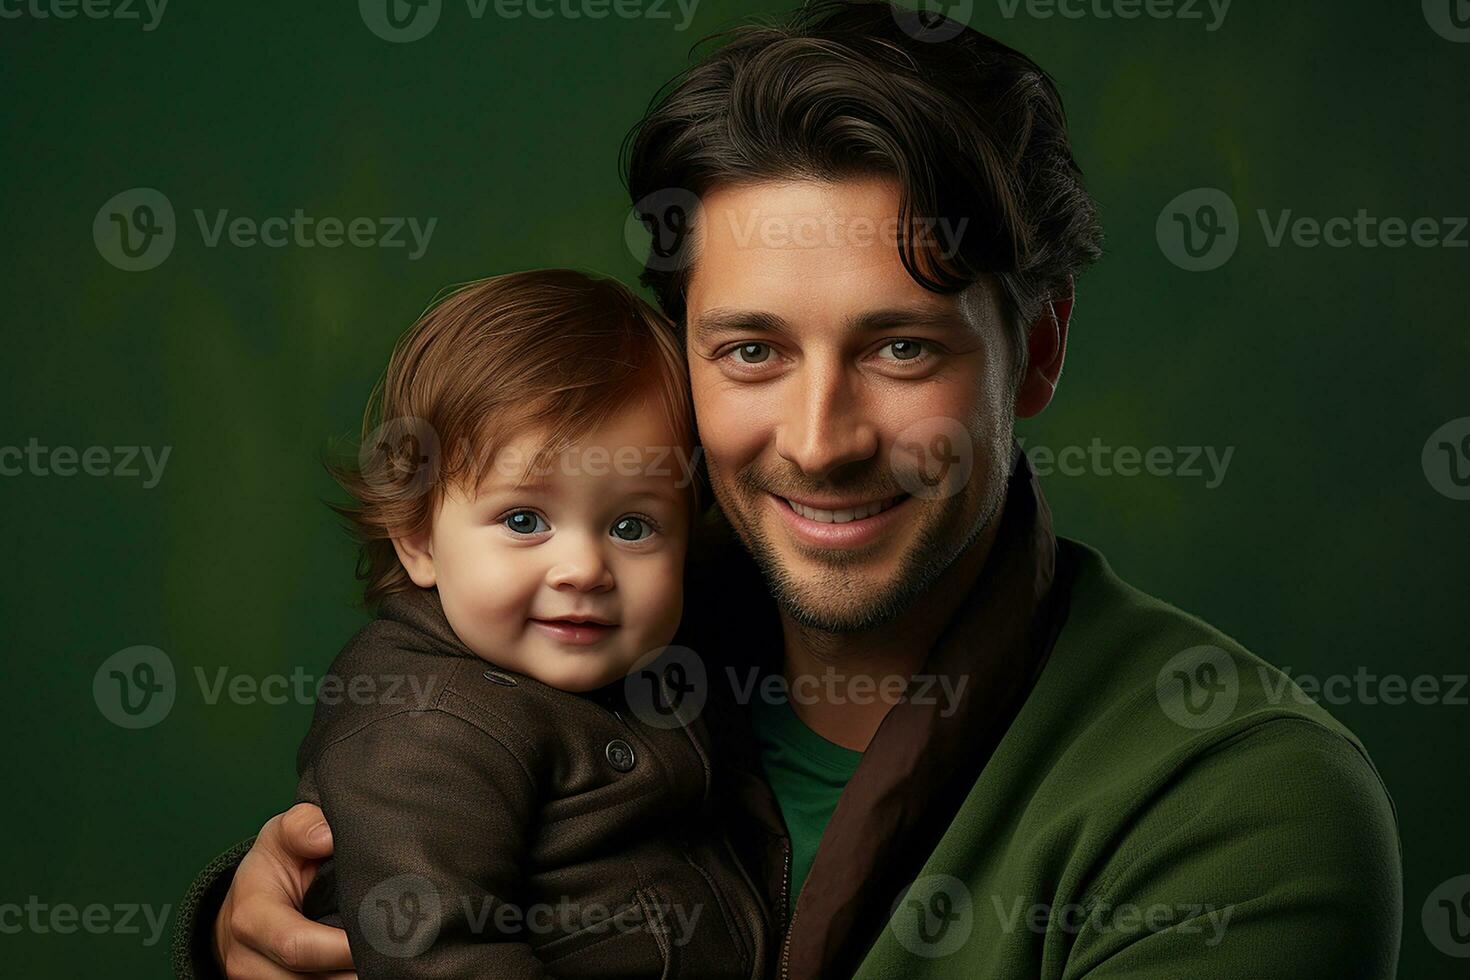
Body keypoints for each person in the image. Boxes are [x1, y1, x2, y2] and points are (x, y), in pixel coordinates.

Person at [175, 3, 1402, 978]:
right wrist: (268, 920)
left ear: (1035, 351)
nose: (819, 440)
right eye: (752, 350)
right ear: (677, 370)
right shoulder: (576, 641)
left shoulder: (1243, 802)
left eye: (901, 347)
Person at [201, 269, 771, 979]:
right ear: (417, 538)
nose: (584, 568)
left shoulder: (682, 644)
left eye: (632, 525)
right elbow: (440, 954)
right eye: (524, 520)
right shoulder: (422, 727)